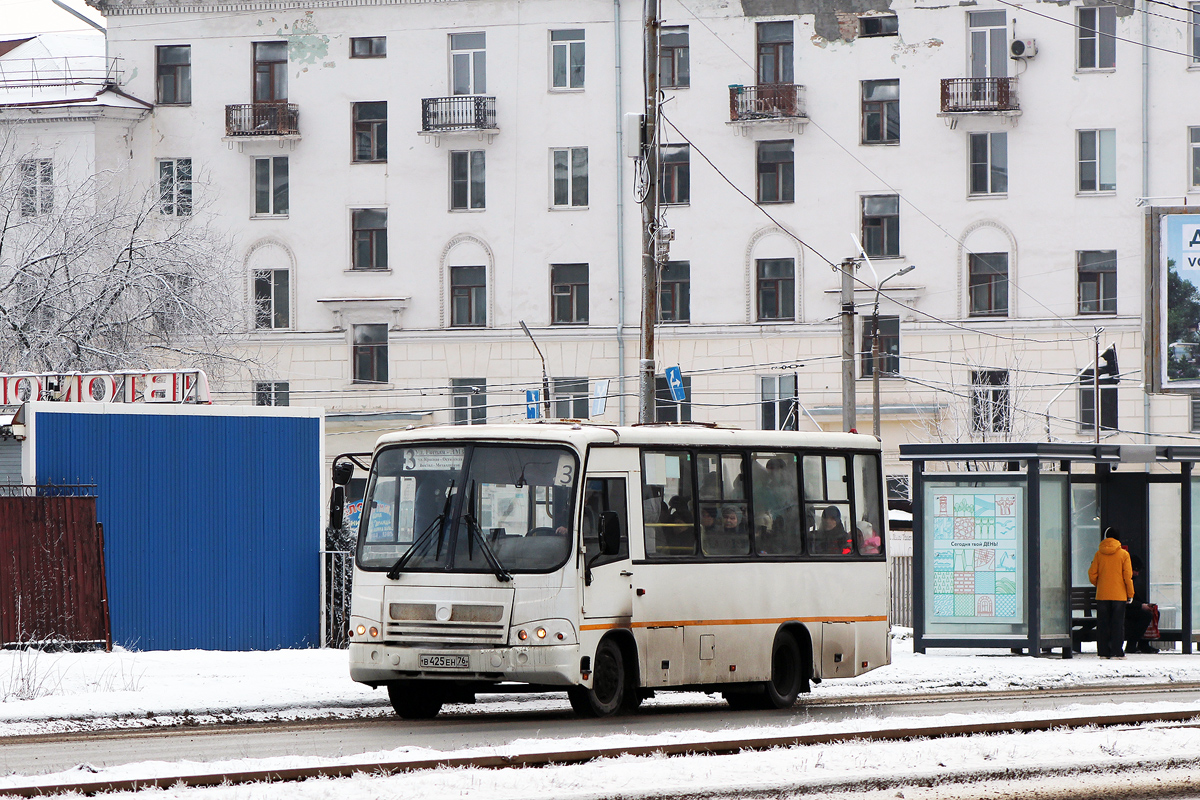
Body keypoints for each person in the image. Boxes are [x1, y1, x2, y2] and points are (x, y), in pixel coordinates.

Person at [1088, 526, 1135, 659]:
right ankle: (1117, 651)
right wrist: (1130, 594)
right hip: (1119, 595)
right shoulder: (1124, 554)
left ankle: (1103, 651)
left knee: (1103, 624)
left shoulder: (1099, 554)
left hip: (1102, 594)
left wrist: (1100, 584)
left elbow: (1092, 574)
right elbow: (1127, 576)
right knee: (1117, 624)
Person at [1125, 554, 1156, 655]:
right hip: (1123, 608)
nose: (1137, 574)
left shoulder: (1131, 578)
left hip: (1128, 607)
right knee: (1146, 615)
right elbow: (1126, 599)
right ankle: (1132, 645)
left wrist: (1145, 605)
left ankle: (1143, 644)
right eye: (1136, 570)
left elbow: (1134, 596)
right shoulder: (1125, 579)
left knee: (1151, 613)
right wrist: (1141, 605)